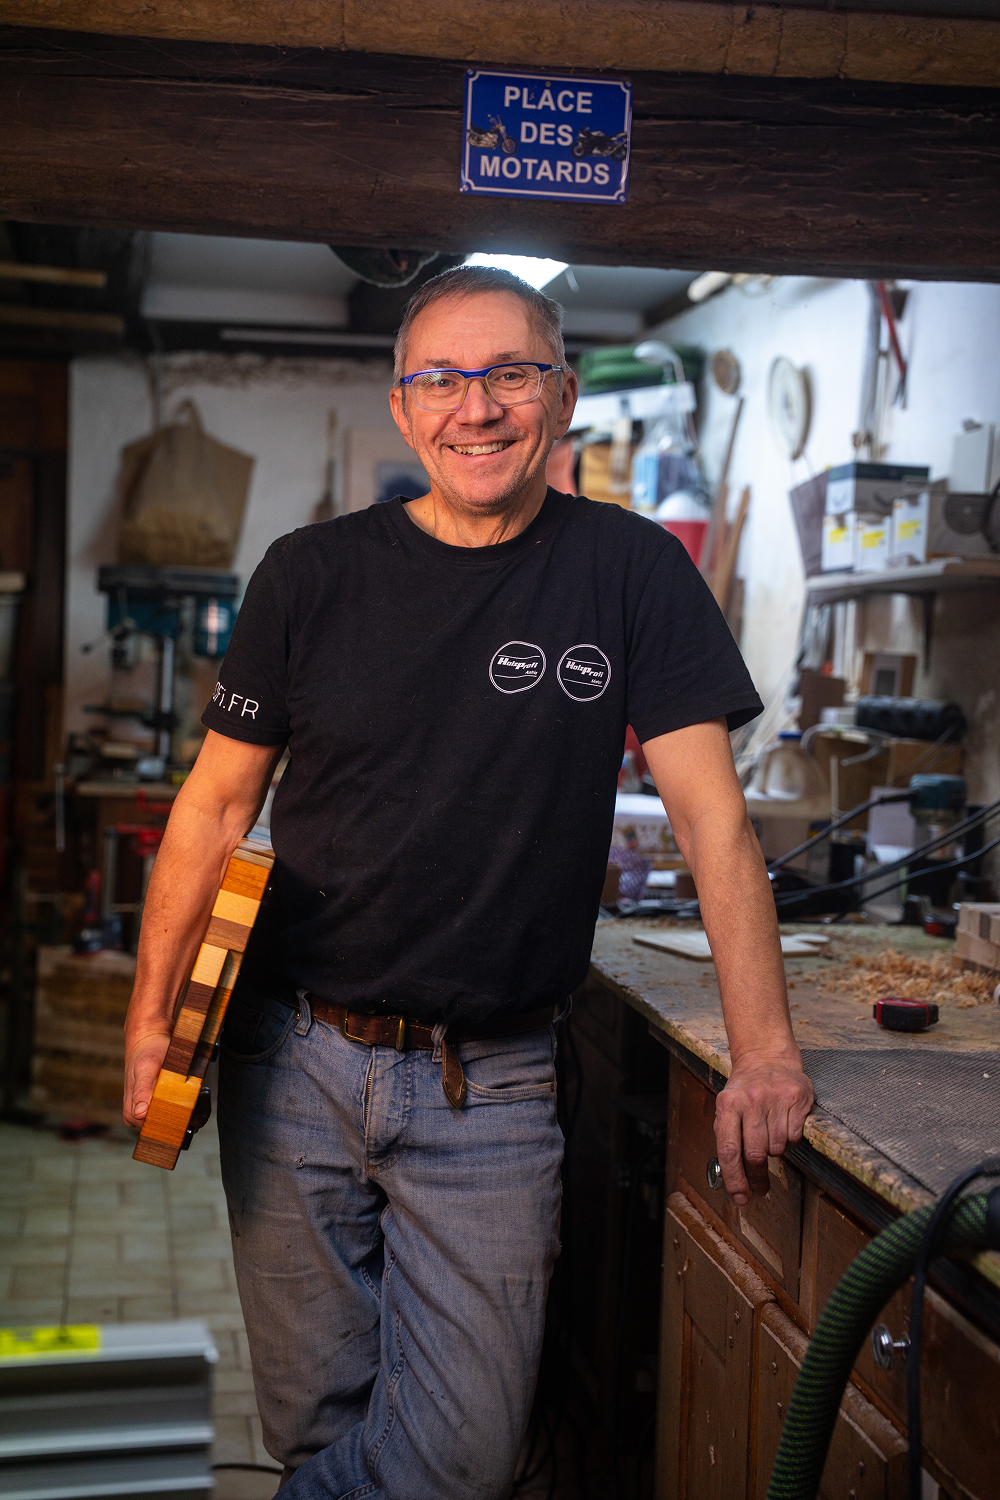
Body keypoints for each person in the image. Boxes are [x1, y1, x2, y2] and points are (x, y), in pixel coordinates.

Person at [123, 265, 814, 1497]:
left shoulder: (632, 572)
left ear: (559, 396)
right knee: (316, 1427)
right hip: (290, 1059)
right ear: (403, 407)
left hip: (487, 1081)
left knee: (463, 1458)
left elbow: (717, 830)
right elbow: (214, 808)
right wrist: (150, 1023)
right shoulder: (309, 574)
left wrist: (764, 1053)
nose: (475, 406)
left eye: (509, 373)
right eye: (441, 378)